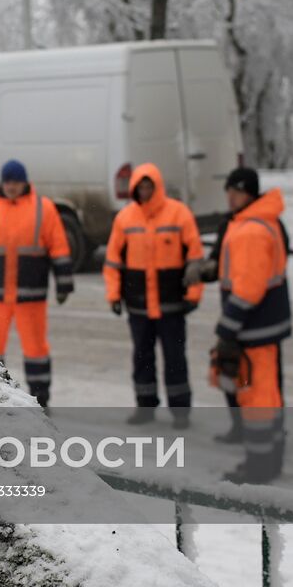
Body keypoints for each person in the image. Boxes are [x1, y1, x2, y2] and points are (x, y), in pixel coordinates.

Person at [0, 159, 75, 407]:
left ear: (25, 182)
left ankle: (41, 398)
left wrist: (64, 284)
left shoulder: (43, 209)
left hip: (30, 296)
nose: (12, 186)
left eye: (16, 182)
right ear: (2, 182)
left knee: (36, 350)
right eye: (8, 181)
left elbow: (59, 247)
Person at [204, 167, 292, 484]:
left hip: (253, 329)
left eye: (237, 192)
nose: (231, 197)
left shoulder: (251, 231)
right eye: (229, 190)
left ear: (251, 195)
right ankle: (271, 458)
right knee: (268, 395)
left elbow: (248, 290)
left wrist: (226, 329)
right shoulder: (262, 222)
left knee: (256, 398)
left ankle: (259, 466)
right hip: (266, 326)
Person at [103, 163, 204, 428]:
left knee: (175, 358)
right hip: (138, 306)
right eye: (141, 187)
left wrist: (194, 293)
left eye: (149, 186)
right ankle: (145, 406)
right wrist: (113, 295)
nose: (145, 191)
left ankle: (180, 411)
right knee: (142, 357)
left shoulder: (179, 214)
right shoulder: (125, 218)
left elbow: (195, 258)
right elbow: (113, 262)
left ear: (157, 187)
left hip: (172, 304)